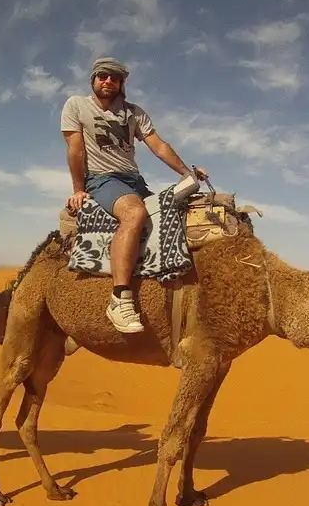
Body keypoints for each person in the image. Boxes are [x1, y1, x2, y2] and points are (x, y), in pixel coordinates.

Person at [60, 56, 207, 334]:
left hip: (134, 180)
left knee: (178, 210)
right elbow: (76, 149)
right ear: (93, 79)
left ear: (121, 83)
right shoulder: (77, 105)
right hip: (102, 180)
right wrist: (79, 189)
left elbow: (158, 145)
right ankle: (119, 298)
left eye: (114, 78)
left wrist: (186, 174)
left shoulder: (134, 113)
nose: (108, 81)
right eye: (102, 76)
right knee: (134, 213)